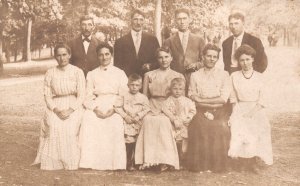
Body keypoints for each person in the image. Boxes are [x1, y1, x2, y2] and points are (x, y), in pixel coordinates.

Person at [33, 43, 85, 170]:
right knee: (54, 124)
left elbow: (81, 95)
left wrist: (70, 110)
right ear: (55, 57)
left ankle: (71, 161)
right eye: (59, 55)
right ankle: (53, 162)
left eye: (64, 55)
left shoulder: (77, 72)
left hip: (73, 104)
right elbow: (47, 95)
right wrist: (56, 110)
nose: (62, 58)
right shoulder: (50, 72)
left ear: (69, 55)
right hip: (56, 105)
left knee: (70, 125)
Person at [79, 43, 128, 170]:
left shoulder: (120, 73)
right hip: (97, 103)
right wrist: (95, 109)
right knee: (88, 119)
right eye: (101, 55)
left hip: (114, 104)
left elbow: (123, 94)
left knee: (116, 121)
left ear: (111, 55)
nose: (104, 57)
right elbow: (87, 95)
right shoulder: (92, 74)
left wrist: (114, 109)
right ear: (97, 57)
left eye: (107, 54)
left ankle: (115, 163)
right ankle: (89, 162)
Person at [135, 47, 184, 172]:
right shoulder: (149, 75)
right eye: (160, 57)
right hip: (152, 104)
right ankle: (148, 160)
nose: (164, 60)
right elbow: (145, 97)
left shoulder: (178, 76)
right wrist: (147, 109)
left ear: (171, 58)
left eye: (166, 57)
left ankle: (165, 160)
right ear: (157, 59)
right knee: (148, 120)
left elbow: (180, 98)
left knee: (164, 122)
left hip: (169, 105)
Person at [186, 44, 231, 173]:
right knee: (198, 126)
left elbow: (223, 99)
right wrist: (206, 103)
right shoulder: (195, 75)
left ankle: (217, 165)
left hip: (219, 109)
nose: (211, 59)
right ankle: (201, 165)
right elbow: (192, 95)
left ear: (217, 59)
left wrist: (203, 101)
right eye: (209, 56)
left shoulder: (224, 74)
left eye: (215, 57)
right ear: (203, 57)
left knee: (220, 127)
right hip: (200, 110)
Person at [228, 44, 273, 173]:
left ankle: (253, 161)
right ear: (238, 62)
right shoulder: (234, 76)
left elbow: (263, 100)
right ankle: (243, 161)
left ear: (253, 59)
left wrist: (251, 113)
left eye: (247, 59)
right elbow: (233, 98)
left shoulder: (260, 77)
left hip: (256, 109)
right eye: (242, 60)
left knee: (255, 126)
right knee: (239, 126)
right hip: (239, 108)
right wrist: (236, 113)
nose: (245, 63)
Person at [114, 73, 150, 171]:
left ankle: (138, 162)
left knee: (138, 142)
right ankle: (128, 163)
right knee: (129, 141)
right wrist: (125, 116)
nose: (134, 87)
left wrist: (138, 116)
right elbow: (117, 107)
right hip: (128, 122)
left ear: (141, 86)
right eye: (132, 85)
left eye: (137, 85)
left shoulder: (143, 97)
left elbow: (147, 108)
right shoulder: (123, 96)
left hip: (138, 122)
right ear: (128, 85)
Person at [161, 78, 196, 169]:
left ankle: (182, 161)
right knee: (173, 142)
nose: (177, 91)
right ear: (171, 89)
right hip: (173, 125)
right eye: (175, 89)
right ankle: (173, 162)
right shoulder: (167, 101)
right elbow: (166, 111)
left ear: (183, 90)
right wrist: (173, 119)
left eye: (180, 89)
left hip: (184, 125)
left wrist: (189, 118)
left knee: (184, 144)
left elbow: (193, 110)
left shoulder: (187, 101)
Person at [163, 8, 205, 83]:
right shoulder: (168, 41)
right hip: (174, 80)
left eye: (184, 18)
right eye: (179, 19)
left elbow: (205, 60)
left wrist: (196, 65)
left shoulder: (199, 40)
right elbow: (164, 61)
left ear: (189, 20)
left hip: (194, 78)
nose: (182, 22)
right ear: (175, 21)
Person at [114, 9, 160, 76]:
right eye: (135, 19)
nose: (138, 23)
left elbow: (158, 60)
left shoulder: (152, 40)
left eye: (141, 20)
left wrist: (150, 66)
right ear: (130, 21)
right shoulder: (120, 42)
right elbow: (117, 66)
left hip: (147, 79)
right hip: (128, 80)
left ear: (144, 21)